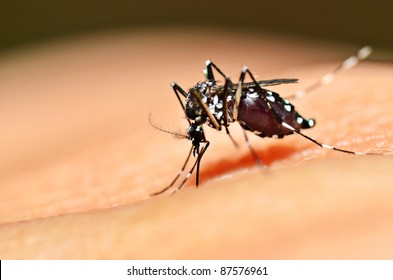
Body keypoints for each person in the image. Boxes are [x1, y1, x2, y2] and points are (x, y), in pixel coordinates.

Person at [0, 30, 392, 258]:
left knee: (235, 81)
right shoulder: (197, 113)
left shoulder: (208, 106)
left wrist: (239, 130)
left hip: (251, 104)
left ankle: (299, 135)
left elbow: (220, 87)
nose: (197, 142)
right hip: (234, 106)